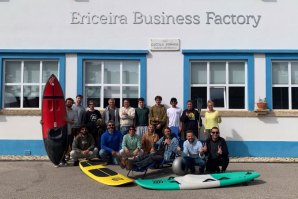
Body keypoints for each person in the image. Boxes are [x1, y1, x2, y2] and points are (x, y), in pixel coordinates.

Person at [64, 97, 78, 163]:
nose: (69, 103)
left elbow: (76, 121)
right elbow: (61, 120)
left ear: (72, 103)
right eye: (68, 102)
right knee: (63, 145)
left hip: (70, 131)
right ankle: (62, 159)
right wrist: (70, 121)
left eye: (70, 102)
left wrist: (67, 120)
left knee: (69, 145)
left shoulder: (74, 112)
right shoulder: (62, 111)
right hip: (62, 132)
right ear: (65, 103)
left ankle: (68, 157)